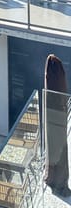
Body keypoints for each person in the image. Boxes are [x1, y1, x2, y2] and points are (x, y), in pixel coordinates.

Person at [44, 54, 70, 197]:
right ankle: (59, 181)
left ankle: (53, 177)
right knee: (60, 149)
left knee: (54, 147)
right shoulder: (59, 75)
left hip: (53, 119)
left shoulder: (49, 77)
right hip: (58, 118)